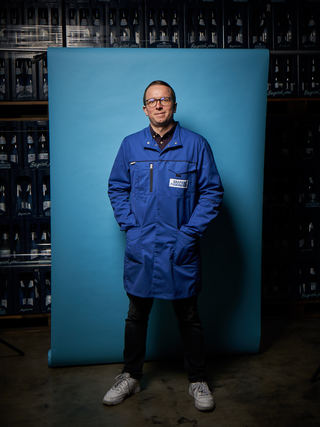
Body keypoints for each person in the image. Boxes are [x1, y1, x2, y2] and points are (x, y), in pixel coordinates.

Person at [104, 80, 223, 411]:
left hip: (179, 246)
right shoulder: (130, 146)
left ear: (174, 105)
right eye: (151, 101)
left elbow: (212, 191)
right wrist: (131, 227)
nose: (158, 105)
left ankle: (197, 380)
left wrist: (190, 233)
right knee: (136, 314)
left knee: (188, 315)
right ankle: (130, 375)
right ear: (144, 109)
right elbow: (116, 187)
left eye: (164, 99)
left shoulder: (196, 145)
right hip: (142, 246)